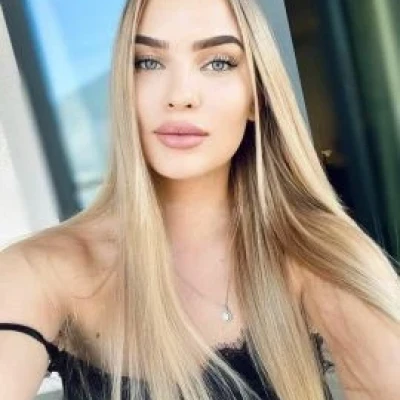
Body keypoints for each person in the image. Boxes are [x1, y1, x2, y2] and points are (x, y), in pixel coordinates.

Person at [1, 0, 399, 399]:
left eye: (219, 63)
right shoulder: (38, 271)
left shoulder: (311, 252)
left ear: (256, 97)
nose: (180, 96)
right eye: (148, 62)